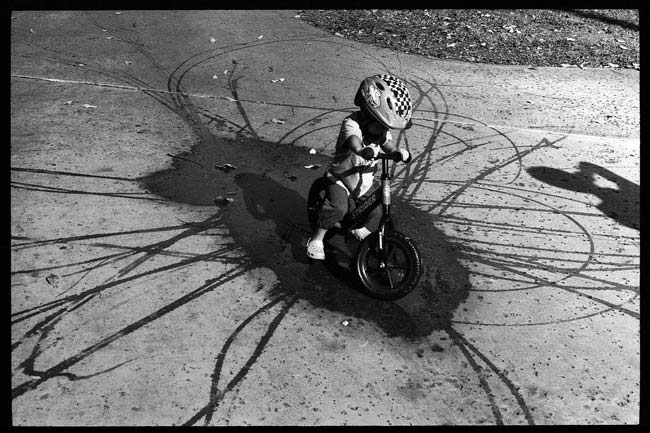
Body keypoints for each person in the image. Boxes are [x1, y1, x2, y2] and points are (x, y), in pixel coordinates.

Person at [306, 74, 414, 260]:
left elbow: (387, 144)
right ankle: (317, 238)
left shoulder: (380, 131)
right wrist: (361, 150)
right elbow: (354, 140)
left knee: (375, 209)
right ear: (367, 114)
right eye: (380, 126)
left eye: (385, 128)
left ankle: (356, 227)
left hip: (364, 180)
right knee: (337, 208)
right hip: (341, 178)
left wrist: (396, 152)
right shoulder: (352, 123)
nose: (383, 131)